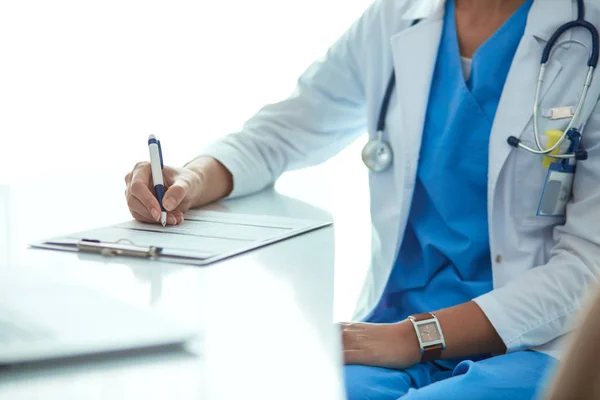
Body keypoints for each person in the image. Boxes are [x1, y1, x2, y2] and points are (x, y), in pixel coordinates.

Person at [124, 0, 600, 398]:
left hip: (533, 345)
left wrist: (414, 337)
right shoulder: (397, 17)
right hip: (390, 329)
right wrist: (191, 178)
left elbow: (587, 268)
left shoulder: (588, 34)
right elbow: (282, 133)